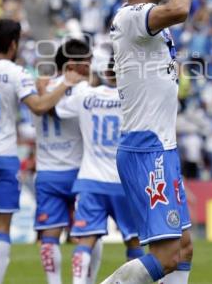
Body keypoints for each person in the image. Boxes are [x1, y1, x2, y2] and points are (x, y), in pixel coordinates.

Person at [101, 0, 207, 284]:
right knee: (163, 257)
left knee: (183, 250)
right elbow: (181, 7)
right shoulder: (133, 18)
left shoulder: (142, 10)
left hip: (160, 144)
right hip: (146, 149)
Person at [0, 19, 82, 284]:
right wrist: (64, 84)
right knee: (1, 227)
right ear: (14, 44)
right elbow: (39, 107)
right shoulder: (17, 73)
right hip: (3, 156)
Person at [55, 56, 144, 284]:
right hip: (124, 181)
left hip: (90, 179)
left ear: (107, 73)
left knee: (85, 241)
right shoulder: (134, 100)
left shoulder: (85, 94)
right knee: (134, 242)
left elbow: (60, 108)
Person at [33, 38, 102, 284]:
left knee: (49, 236)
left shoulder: (40, 87)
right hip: (79, 171)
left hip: (47, 171)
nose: (92, 66)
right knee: (89, 233)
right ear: (75, 65)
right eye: (89, 62)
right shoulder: (84, 90)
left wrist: (45, 90)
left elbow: (42, 106)